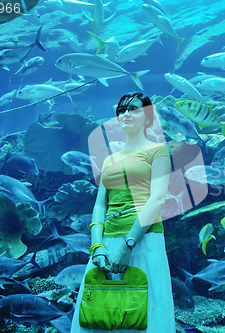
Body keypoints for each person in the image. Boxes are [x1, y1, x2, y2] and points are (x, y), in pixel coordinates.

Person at [70, 92, 176, 332]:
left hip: (144, 239)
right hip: (105, 244)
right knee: (99, 311)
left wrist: (128, 244)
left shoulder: (158, 151)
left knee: (145, 313)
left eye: (134, 109)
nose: (126, 113)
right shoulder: (109, 160)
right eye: (121, 110)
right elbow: (100, 205)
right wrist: (96, 246)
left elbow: (158, 198)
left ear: (148, 118)